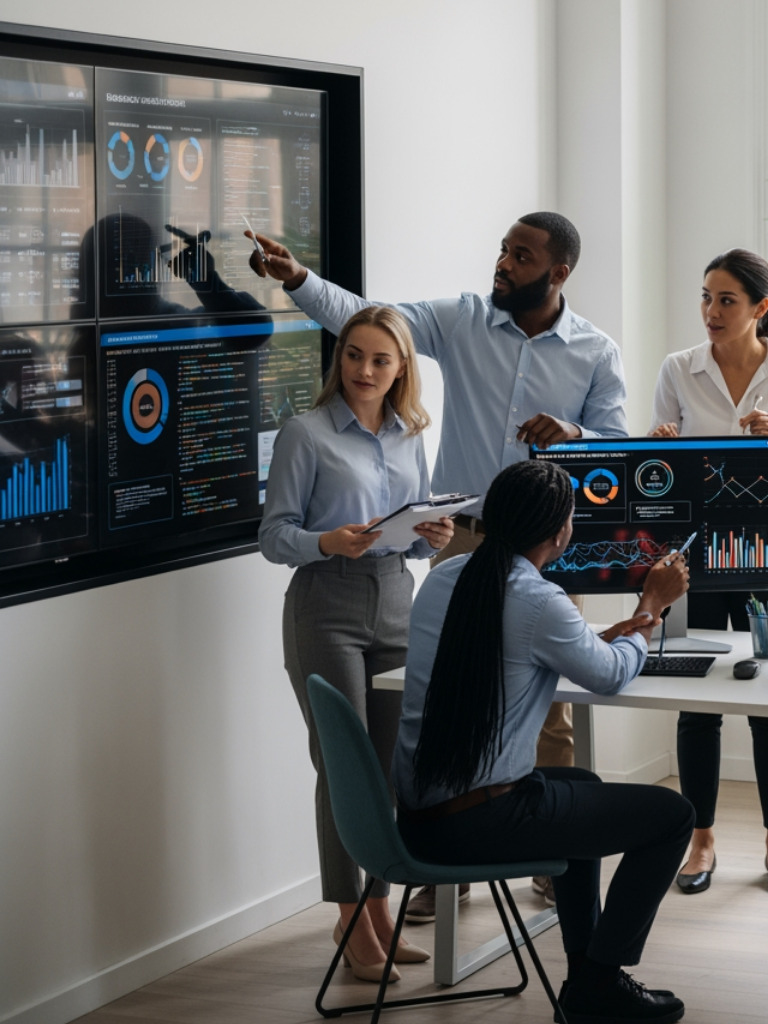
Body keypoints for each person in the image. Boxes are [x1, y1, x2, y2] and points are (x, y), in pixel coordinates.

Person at [248, 211, 624, 916]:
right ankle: (439, 862)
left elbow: (616, 442)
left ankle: (550, 863)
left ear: (559, 271)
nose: (504, 263)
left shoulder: (596, 351)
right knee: (447, 699)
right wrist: (297, 279)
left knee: (548, 709)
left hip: (544, 548)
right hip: (462, 539)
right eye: (503, 249)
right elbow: (372, 321)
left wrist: (574, 431)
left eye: (521, 255)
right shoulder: (462, 318)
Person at [392, 459, 694, 1024]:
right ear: (560, 532)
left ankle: (584, 976)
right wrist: (650, 607)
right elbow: (607, 675)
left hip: (418, 819)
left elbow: (512, 648)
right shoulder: (538, 599)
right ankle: (601, 982)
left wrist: (593, 639)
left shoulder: (445, 576)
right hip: (478, 823)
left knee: (580, 784)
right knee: (673, 815)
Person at [258, 306, 455, 982]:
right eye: (353, 356)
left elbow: (416, 514)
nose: (364, 371)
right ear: (338, 359)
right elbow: (273, 537)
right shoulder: (304, 435)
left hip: (396, 600)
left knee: (389, 769)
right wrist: (327, 541)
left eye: (379, 360)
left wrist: (436, 535)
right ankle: (350, 916)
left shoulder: (410, 435)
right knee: (342, 767)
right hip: (326, 605)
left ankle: (378, 906)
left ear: (402, 368)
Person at [650, 248, 768, 897]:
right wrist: (657, 452)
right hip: (695, 554)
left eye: (726, 300)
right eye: (706, 297)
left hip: (767, 552)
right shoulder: (678, 369)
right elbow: (656, 481)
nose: (711, 312)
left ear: (760, 308)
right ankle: (702, 841)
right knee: (697, 702)